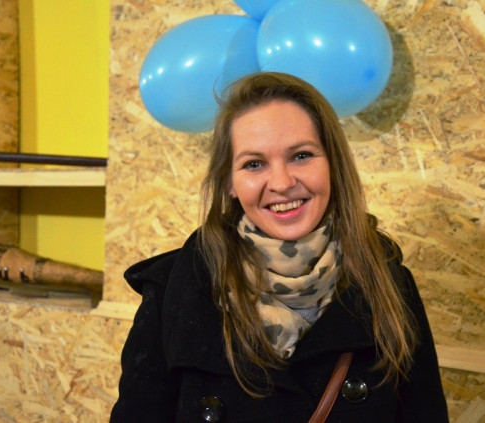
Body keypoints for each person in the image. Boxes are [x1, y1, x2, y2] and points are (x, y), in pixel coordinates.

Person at [111, 72, 449, 422]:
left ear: (332, 165)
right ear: (229, 182)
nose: (282, 183)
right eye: (254, 164)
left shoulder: (388, 282)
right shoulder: (173, 290)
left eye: (301, 155)